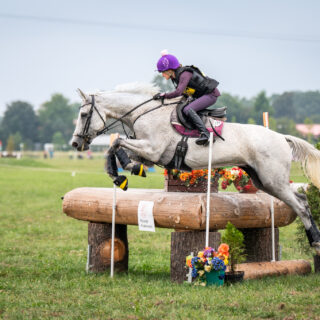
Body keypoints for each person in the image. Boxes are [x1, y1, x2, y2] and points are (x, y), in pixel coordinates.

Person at [154, 50, 220, 145]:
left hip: (211, 95)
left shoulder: (184, 74)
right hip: (203, 95)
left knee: (188, 109)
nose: (162, 75)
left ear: (169, 70)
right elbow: (183, 94)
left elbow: (178, 92)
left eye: (162, 72)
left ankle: (206, 134)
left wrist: (163, 95)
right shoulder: (176, 76)